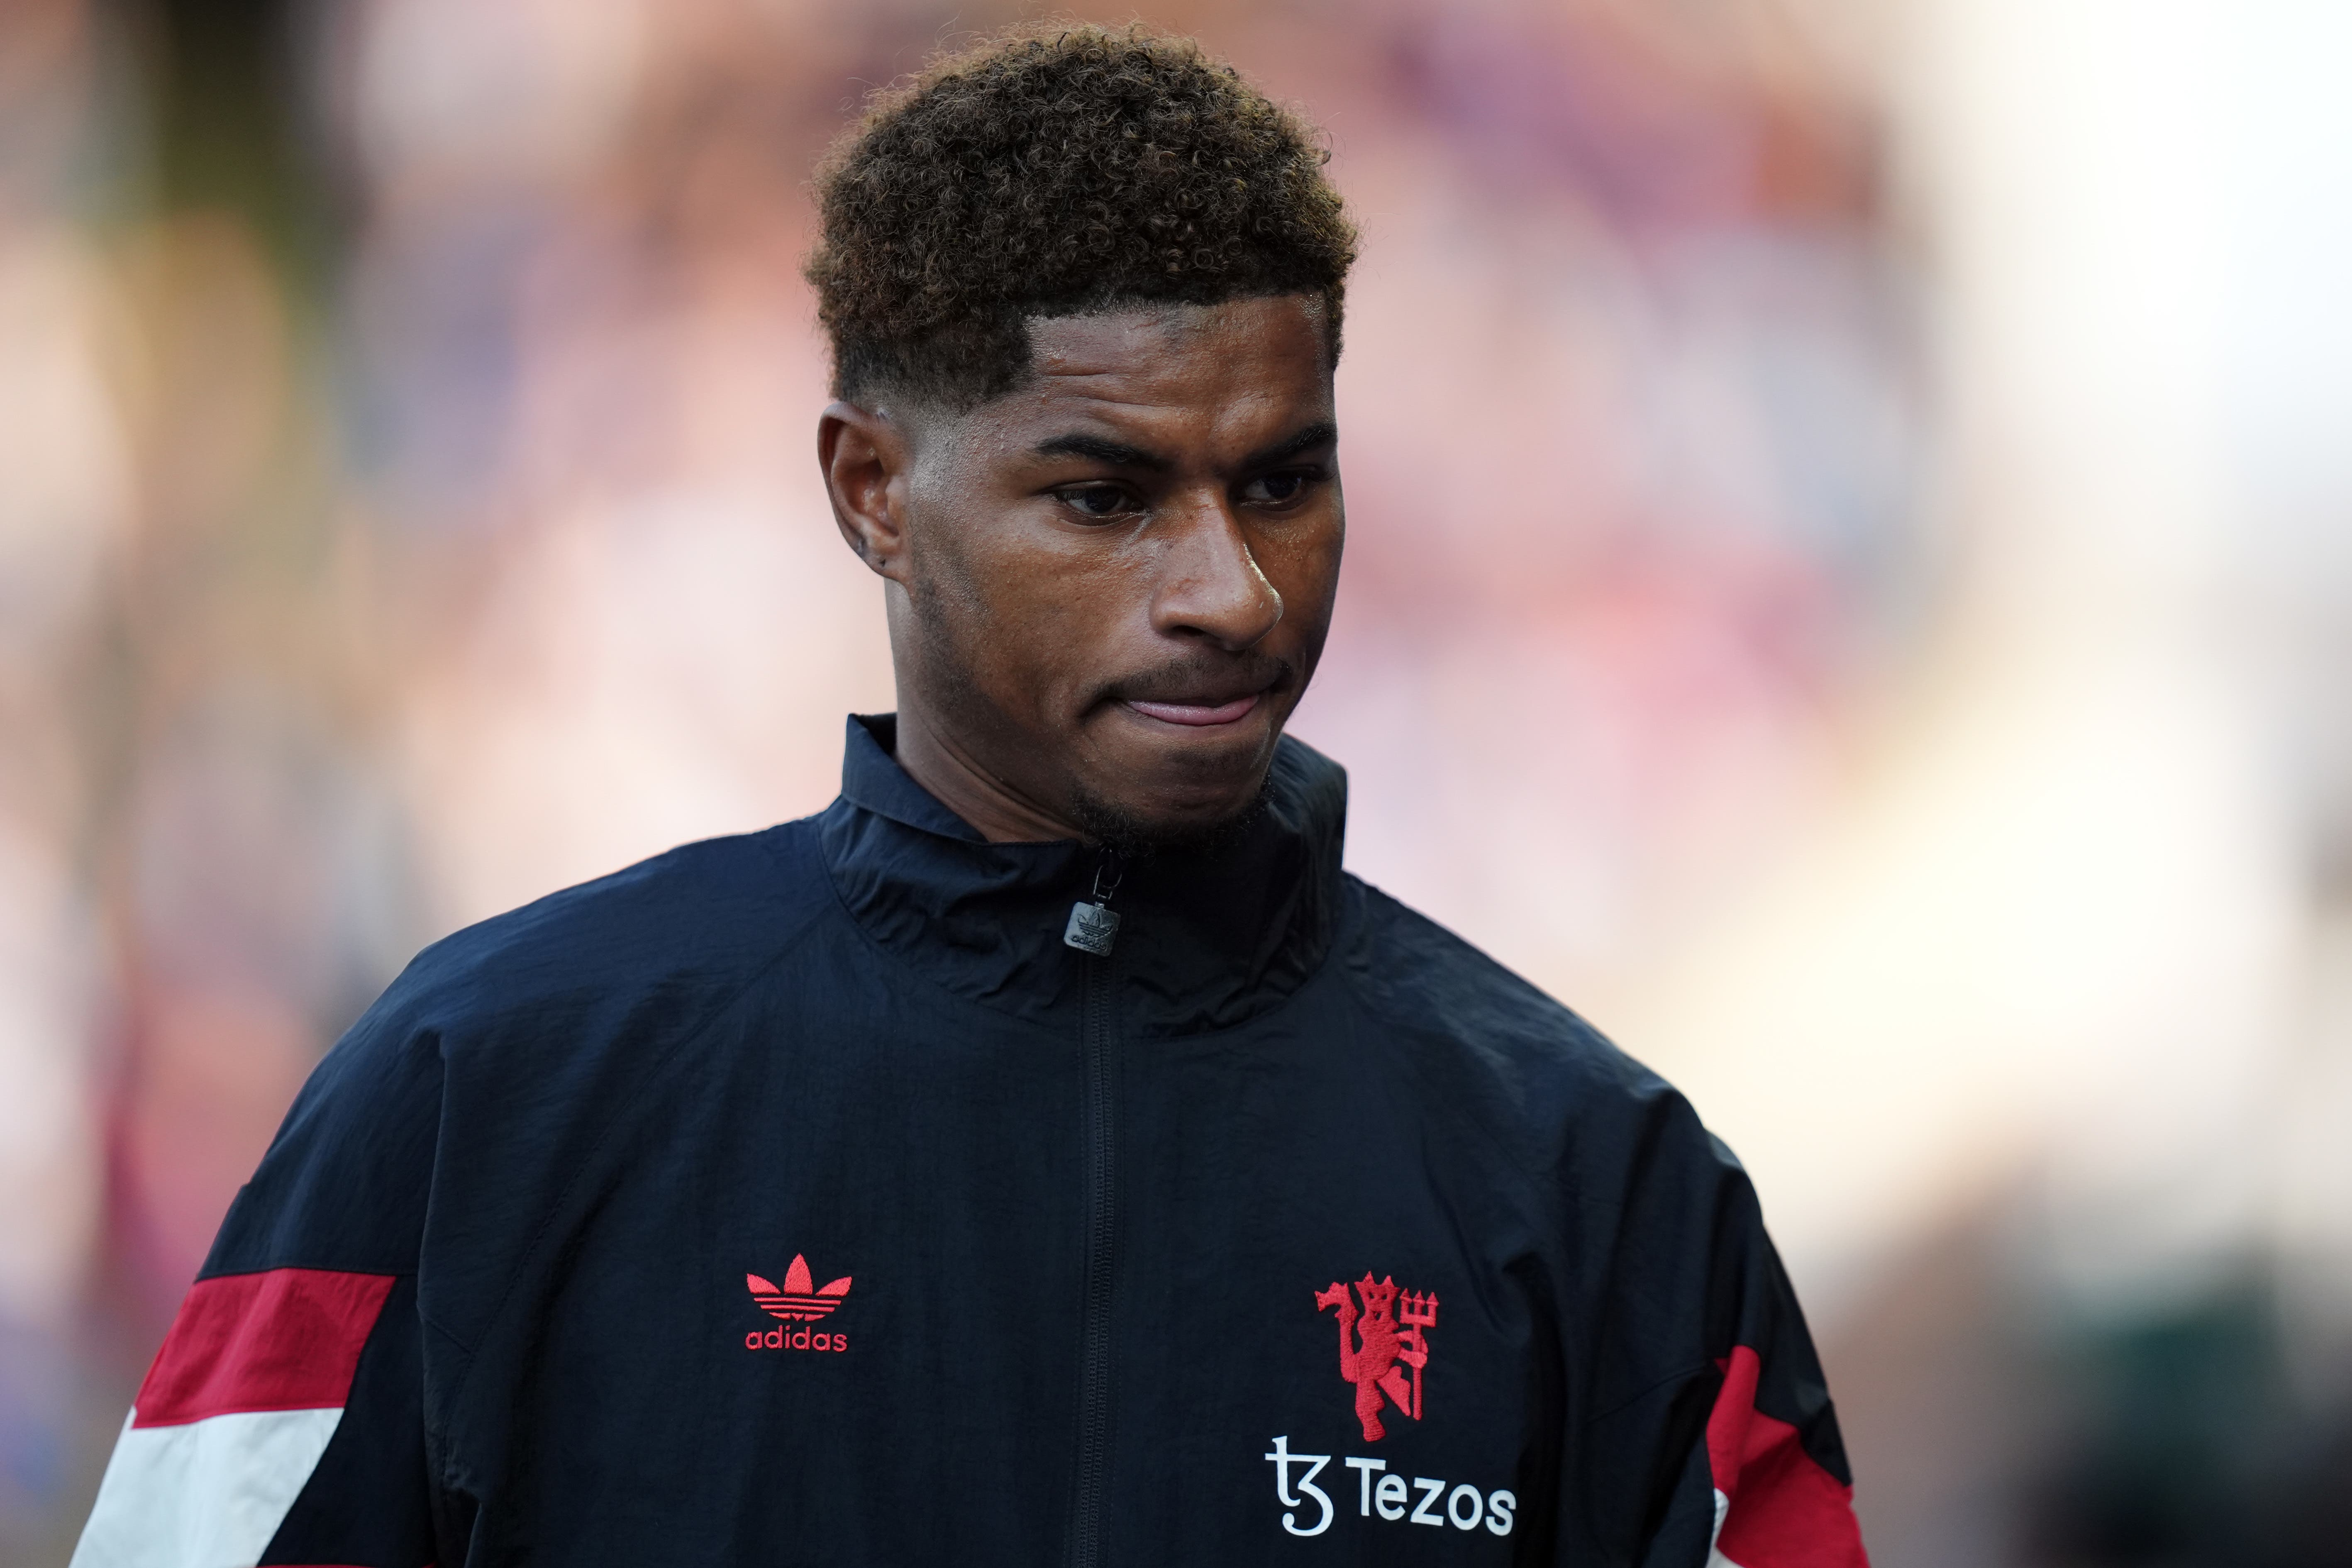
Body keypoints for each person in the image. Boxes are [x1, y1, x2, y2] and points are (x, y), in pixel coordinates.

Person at [72, 25, 1868, 1567]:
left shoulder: (1596, 1180)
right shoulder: (483, 1093)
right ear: (871, 491)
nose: (1229, 591)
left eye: (1282, 481)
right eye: (1105, 495)